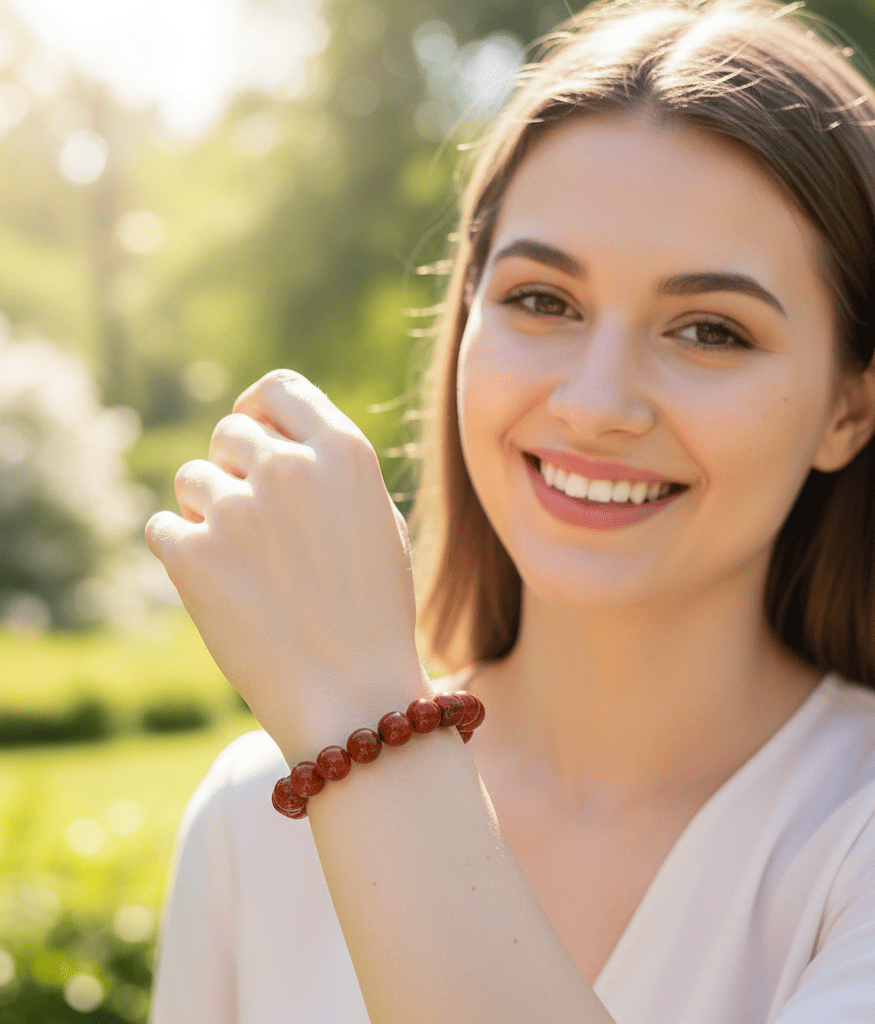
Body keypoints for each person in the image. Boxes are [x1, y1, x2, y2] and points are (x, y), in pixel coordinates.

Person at [144, 0, 875, 1019]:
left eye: (709, 329)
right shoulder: (249, 820)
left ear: (850, 405)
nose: (591, 403)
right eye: (542, 301)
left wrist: (366, 713)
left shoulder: (853, 837)